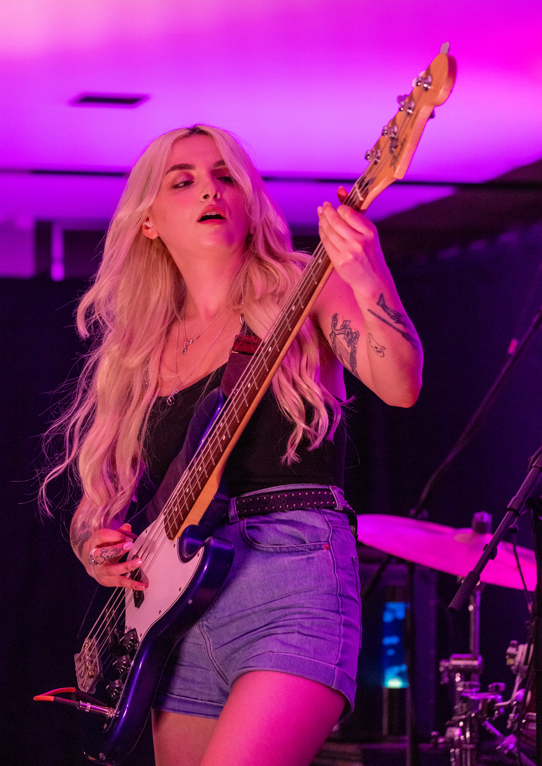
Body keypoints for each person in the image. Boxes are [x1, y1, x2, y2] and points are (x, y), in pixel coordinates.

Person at [42, 125, 422, 766]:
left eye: (224, 176)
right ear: (149, 222)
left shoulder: (302, 287)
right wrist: (91, 546)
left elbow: (400, 384)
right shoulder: (143, 347)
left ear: (249, 201)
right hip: (179, 613)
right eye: (182, 181)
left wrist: (369, 273)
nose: (209, 190)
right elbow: (100, 491)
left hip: (294, 574)